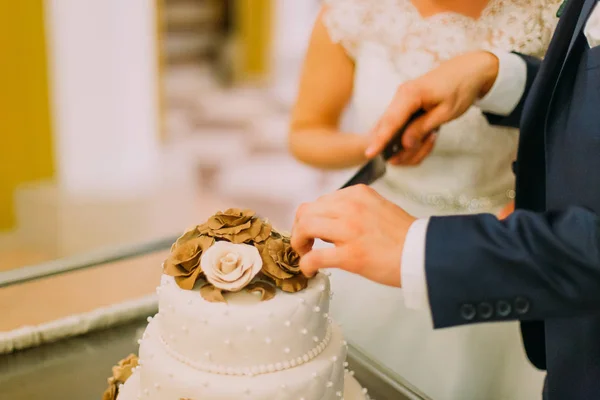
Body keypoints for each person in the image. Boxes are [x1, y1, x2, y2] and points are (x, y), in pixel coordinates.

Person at [291, 0, 600, 399]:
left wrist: (525, 205)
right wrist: (494, 71)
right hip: (384, 231)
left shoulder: (541, 10)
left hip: (505, 243)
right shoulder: (353, 12)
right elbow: (571, 105)